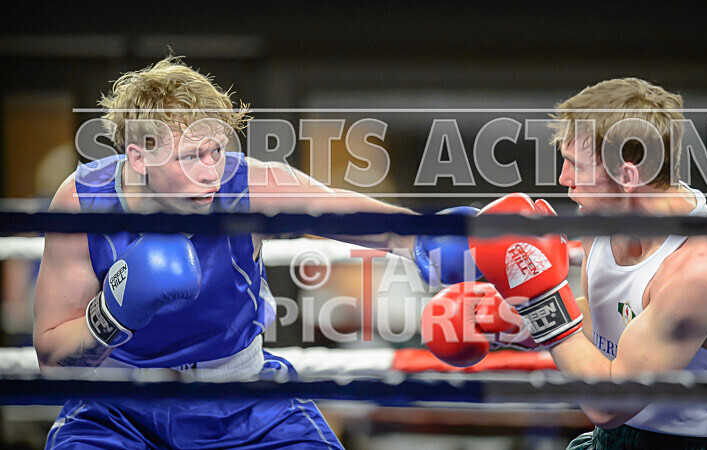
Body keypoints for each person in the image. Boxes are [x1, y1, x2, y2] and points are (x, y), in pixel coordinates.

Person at [33, 56, 475, 449]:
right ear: (138, 156)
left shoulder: (250, 186)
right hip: (116, 412)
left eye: (217, 151)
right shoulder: (82, 202)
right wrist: (111, 316)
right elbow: (51, 355)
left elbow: (359, 218)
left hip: (244, 405)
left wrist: (429, 240)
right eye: (191, 157)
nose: (211, 172)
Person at [423, 78, 707, 449]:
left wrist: (540, 302)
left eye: (575, 166)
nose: (563, 179)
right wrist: (510, 318)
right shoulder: (602, 224)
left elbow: (610, 405)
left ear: (628, 176)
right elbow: (611, 317)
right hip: (606, 440)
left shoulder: (702, 267)